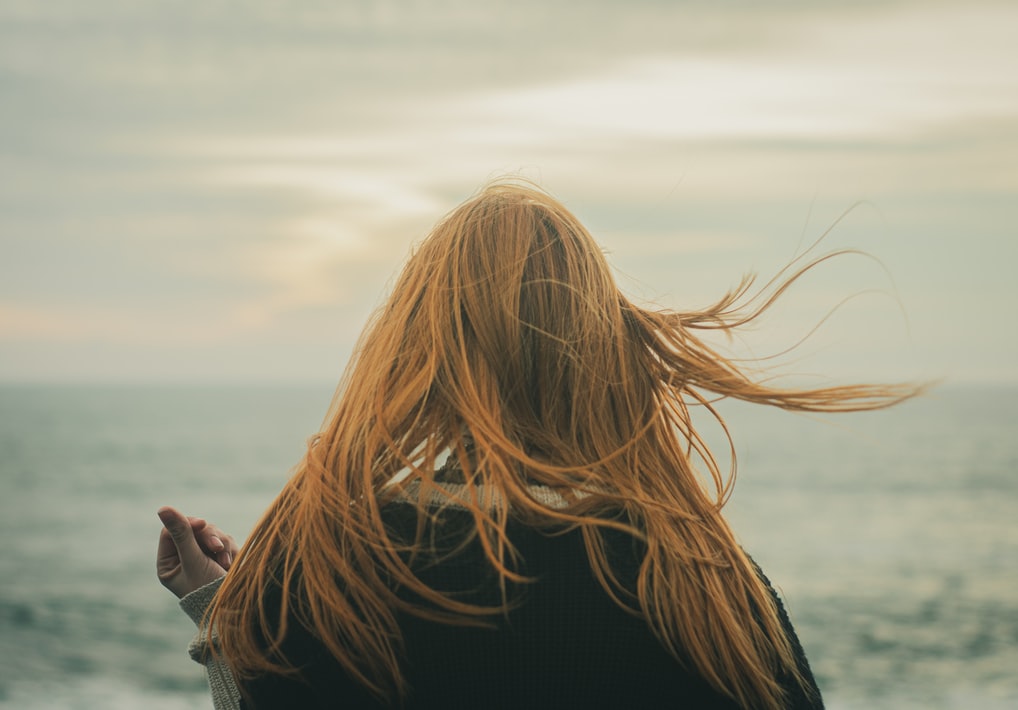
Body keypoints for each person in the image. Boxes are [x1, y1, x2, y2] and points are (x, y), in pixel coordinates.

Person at [157, 180, 918, 709]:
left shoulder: (327, 564)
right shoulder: (702, 579)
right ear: (599, 343)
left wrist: (225, 614)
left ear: (427, 343)